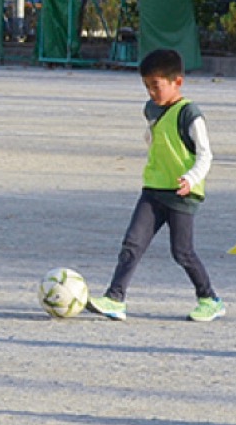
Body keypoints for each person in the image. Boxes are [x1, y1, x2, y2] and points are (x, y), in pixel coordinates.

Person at [87, 47, 225, 323]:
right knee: (132, 244)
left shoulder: (190, 115)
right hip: (153, 189)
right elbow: (156, 137)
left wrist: (191, 178)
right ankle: (115, 299)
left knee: (182, 252)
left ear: (177, 82)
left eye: (156, 86)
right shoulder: (151, 109)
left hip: (181, 194)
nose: (151, 92)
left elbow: (205, 154)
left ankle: (210, 299)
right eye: (147, 86)